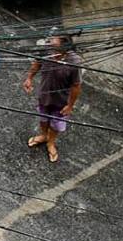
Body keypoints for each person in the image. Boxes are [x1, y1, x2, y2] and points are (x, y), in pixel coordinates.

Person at [22, 36, 83, 164]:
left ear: (64, 50)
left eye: (54, 47)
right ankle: (44, 135)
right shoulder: (47, 51)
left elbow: (76, 86)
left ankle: (51, 142)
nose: (50, 49)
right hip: (44, 95)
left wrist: (70, 105)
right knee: (43, 119)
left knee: (56, 124)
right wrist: (29, 78)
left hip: (62, 101)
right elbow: (37, 64)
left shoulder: (74, 62)